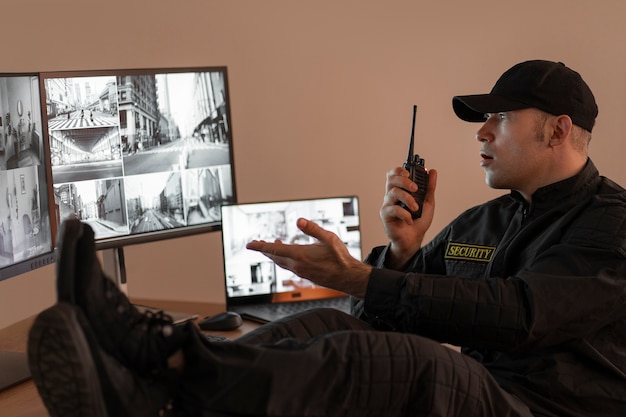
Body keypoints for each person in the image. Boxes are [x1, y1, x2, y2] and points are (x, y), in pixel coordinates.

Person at [28, 60, 626, 417]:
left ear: (558, 130)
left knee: (418, 368)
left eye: (499, 118)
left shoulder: (611, 224)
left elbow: (522, 314)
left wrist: (364, 275)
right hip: (492, 395)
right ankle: (152, 368)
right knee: (332, 326)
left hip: (540, 410)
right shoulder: (484, 227)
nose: (481, 135)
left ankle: (158, 369)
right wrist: (401, 253)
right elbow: (380, 311)